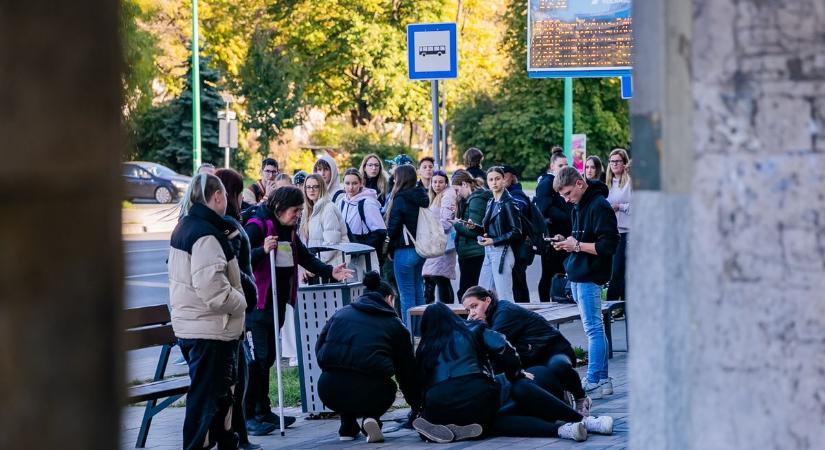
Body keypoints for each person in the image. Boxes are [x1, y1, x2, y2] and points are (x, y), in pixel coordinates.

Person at [412, 302, 612, 443]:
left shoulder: (423, 349)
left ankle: (440, 427)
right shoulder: (472, 330)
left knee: (489, 422)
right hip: (476, 394)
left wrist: (419, 410)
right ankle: (579, 420)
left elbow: (418, 384)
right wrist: (515, 372)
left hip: (439, 404)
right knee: (518, 388)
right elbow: (503, 346)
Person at [243, 187, 353, 433]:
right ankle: (249, 414)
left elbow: (303, 255)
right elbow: (240, 258)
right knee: (258, 360)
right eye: (295, 211)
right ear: (280, 208)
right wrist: (262, 250)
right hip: (258, 303)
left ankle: (264, 409)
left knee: (269, 357)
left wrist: (329, 272)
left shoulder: (288, 229)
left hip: (278, 300)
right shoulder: (257, 225)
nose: (298, 216)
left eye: (301, 211)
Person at [169, 173, 247, 450]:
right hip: (210, 329)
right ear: (217, 197)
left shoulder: (187, 226)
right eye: (225, 195)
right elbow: (213, 290)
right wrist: (242, 302)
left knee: (219, 396)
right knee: (206, 401)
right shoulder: (206, 234)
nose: (227, 200)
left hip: (197, 326)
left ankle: (227, 442)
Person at [316, 271, 421, 443]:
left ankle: (347, 426)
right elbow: (406, 371)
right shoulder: (394, 325)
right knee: (385, 385)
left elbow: (319, 349)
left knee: (346, 375)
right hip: (372, 391)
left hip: (328, 388)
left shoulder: (340, 314)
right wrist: (416, 404)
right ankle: (371, 418)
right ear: (388, 299)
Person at [461, 286, 593, 417]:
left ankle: (580, 397)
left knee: (559, 367)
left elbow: (492, 348)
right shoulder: (489, 316)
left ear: (487, 300)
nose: (471, 313)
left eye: (474, 306)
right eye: (468, 310)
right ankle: (557, 396)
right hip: (531, 357)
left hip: (553, 349)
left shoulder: (504, 313)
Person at [552, 167, 619, 399]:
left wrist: (577, 246)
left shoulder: (599, 205)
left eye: (569, 193)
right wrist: (567, 242)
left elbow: (608, 245)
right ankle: (601, 379)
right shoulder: (580, 205)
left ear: (580, 184)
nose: (567, 200)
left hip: (591, 274)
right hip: (580, 272)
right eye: (563, 196)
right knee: (594, 327)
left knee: (593, 328)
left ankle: (594, 378)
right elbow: (582, 238)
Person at [215, 169, 271, 447]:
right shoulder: (228, 227)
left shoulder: (226, 223)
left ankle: (239, 433)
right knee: (241, 370)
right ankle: (240, 430)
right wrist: (245, 298)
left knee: (242, 369)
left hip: (234, 311)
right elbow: (234, 272)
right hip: (235, 314)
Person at [384, 164, 429, 325]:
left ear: (400, 178)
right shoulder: (421, 195)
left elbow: (393, 226)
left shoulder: (400, 198)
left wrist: (387, 248)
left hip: (403, 250)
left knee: (406, 295)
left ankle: (409, 333)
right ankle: (420, 331)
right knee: (418, 291)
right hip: (420, 249)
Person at [468, 167, 520, 302]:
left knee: (504, 296)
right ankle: (487, 323)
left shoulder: (509, 202)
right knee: (482, 294)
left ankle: (510, 322)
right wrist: (474, 227)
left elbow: (516, 232)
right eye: (491, 180)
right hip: (489, 252)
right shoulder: (491, 202)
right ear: (487, 182)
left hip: (502, 252)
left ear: (504, 180)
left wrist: (494, 241)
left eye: (497, 179)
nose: (494, 182)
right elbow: (490, 230)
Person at [535, 149, 572, 302]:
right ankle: (545, 304)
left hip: (562, 235)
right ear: (552, 166)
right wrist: (566, 216)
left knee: (559, 271)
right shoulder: (547, 182)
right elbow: (544, 208)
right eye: (560, 165)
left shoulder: (561, 183)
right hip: (552, 236)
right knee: (549, 273)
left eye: (566, 165)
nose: (563, 168)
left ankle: (557, 302)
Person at [451, 169, 492, 301]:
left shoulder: (476, 199)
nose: (458, 194)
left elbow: (474, 229)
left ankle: (469, 321)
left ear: (464, 184)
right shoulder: (472, 199)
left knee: (468, 293)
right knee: (468, 292)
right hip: (471, 252)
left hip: (474, 253)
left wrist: (456, 223)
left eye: (457, 190)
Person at [298, 174, 348, 272]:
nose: (311, 190)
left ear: (321, 188)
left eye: (315, 186)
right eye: (308, 187)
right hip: (315, 266)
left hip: (331, 267)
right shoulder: (306, 211)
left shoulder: (328, 208)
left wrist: (314, 267)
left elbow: (331, 245)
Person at [422, 170, 457, 304]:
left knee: (440, 279)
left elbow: (446, 222)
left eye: (441, 182)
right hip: (437, 245)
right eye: (434, 182)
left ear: (446, 183)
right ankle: (437, 312)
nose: (437, 185)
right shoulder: (435, 196)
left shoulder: (446, 196)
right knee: (437, 278)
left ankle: (444, 312)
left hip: (441, 245)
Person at [338, 168, 387, 264]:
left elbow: (380, 232)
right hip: (347, 254)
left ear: (360, 183)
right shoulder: (341, 202)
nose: (351, 187)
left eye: (354, 183)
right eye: (347, 183)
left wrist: (362, 248)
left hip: (365, 255)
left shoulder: (367, 202)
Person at [501, 165, 531, 303]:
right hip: (510, 245)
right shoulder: (504, 194)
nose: (501, 178)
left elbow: (519, 208)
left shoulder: (517, 194)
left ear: (512, 177)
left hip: (518, 245)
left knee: (518, 283)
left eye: (504, 175)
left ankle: (524, 312)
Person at [605, 148, 631, 302]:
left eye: (617, 161)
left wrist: (619, 206)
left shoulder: (629, 182)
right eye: (611, 161)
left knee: (619, 271)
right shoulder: (607, 183)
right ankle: (618, 305)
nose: (614, 164)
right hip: (610, 231)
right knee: (614, 271)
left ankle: (612, 304)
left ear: (624, 163)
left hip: (626, 231)